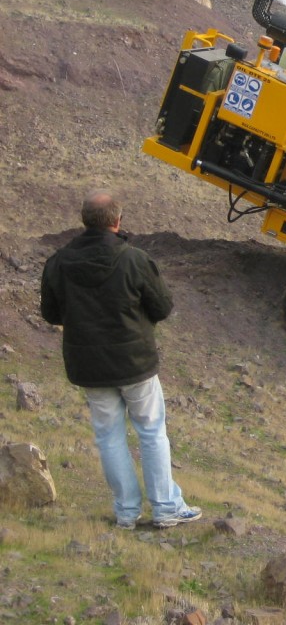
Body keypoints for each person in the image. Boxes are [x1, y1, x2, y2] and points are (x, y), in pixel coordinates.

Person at [40, 189, 202, 530]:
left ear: (85, 221)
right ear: (117, 221)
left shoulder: (58, 262)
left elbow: (51, 313)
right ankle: (165, 507)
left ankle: (127, 512)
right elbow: (163, 306)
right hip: (134, 362)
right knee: (151, 431)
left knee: (109, 436)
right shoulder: (133, 259)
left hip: (88, 365)